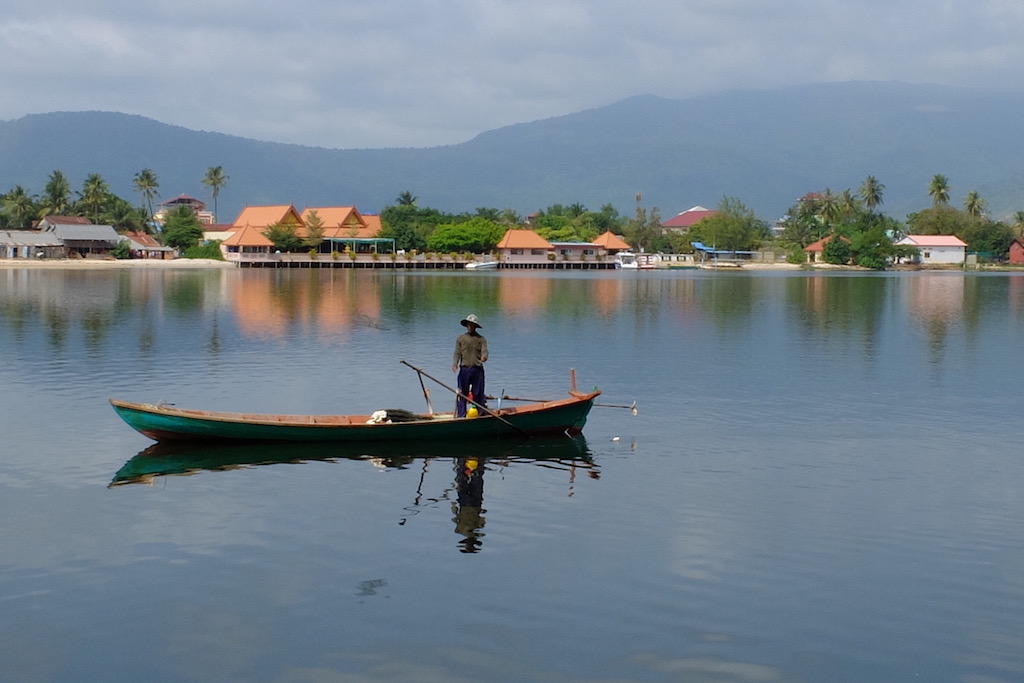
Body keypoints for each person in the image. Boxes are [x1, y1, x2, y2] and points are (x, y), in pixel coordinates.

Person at [452, 314, 488, 418]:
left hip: (477, 369)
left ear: (475, 326)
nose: (470, 327)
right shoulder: (461, 339)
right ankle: (461, 415)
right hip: (465, 369)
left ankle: (479, 414)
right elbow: (457, 353)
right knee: (462, 393)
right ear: (466, 325)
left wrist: (484, 357)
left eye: (472, 325)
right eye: (468, 325)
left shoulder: (481, 339)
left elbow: (485, 351)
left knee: (477, 393)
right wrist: (455, 363)